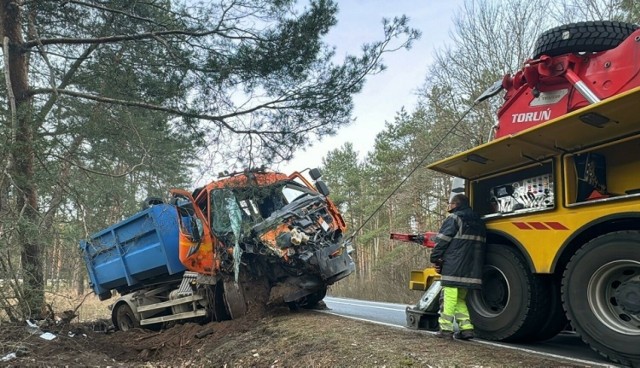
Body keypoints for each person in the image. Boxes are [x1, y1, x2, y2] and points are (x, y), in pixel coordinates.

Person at [430, 193, 486, 340]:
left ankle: (446, 330)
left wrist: (435, 257)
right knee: (460, 299)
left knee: (448, 296)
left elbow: (442, 240)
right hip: (473, 267)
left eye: (450, 204)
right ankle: (466, 329)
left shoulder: (454, 218)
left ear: (455, 204)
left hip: (454, 265)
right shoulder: (479, 221)